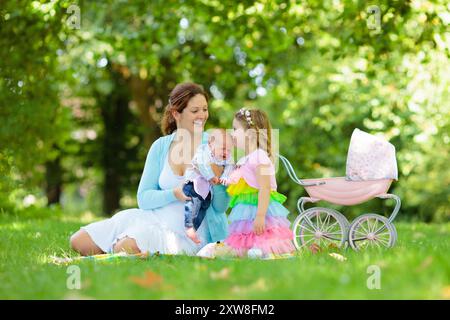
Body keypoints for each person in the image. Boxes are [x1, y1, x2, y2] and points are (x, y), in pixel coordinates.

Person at [69, 82, 229, 256]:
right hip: (153, 219)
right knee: (79, 241)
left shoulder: (215, 146)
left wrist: (218, 180)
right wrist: (173, 194)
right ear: (176, 114)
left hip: (186, 233)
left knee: (124, 246)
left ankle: (129, 249)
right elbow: (143, 198)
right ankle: (129, 248)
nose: (202, 115)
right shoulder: (161, 147)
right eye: (195, 111)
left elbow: (220, 207)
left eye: (205, 109)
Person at [223, 108, 295, 257]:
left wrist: (260, 215)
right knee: (244, 239)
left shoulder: (260, 157)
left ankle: (262, 252)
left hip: (261, 209)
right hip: (247, 209)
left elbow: (265, 187)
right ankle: (250, 252)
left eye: (235, 129)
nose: (232, 133)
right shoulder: (246, 158)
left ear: (249, 134)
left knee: (263, 236)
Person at [183, 129, 234, 244]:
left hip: (206, 190)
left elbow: (229, 167)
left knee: (204, 206)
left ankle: (193, 228)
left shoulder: (227, 157)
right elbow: (202, 165)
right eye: (223, 148)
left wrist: (225, 178)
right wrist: (211, 176)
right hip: (193, 182)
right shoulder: (203, 151)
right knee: (192, 202)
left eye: (229, 149)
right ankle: (189, 225)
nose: (226, 152)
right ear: (211, 145)